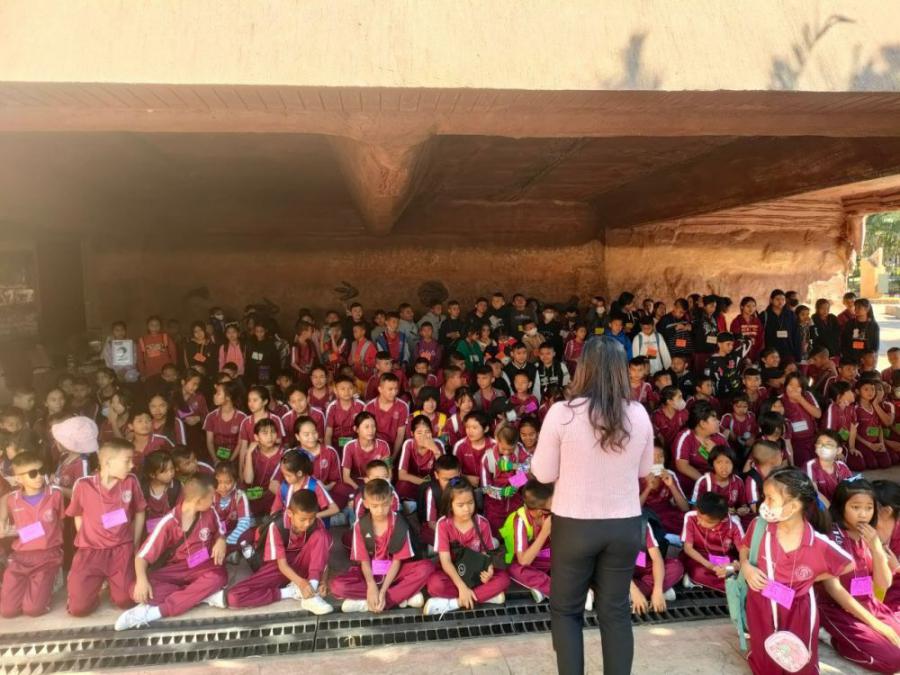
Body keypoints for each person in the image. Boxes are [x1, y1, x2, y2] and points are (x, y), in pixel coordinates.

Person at [531, 335, 654, 675]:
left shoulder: (562, 413)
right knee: (615, 612)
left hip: (575, 524)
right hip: (625, 524)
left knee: (567, 611)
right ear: (620, 371)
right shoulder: (638, 413)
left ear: (582, 367)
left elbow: (543, 473)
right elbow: (644, 469)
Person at [739, 468, 855, 675]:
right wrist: (746, 567)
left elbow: (848, 564)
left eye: (770, 498)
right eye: (764, 497)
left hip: (798, 608)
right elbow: (744, 548)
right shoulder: (759, 527)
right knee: (766, 655)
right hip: (761, 602)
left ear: (792, 506)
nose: (764, 504)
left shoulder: (817, 543)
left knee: (799, 660)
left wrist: (811, 577)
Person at [115, 474, 227, 630]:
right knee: (136, 589)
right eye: (211, 497)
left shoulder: (210, 512)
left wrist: (221, 540)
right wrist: (141, 580)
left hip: (202, 565)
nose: (214, 501)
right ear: (199, 501)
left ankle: (156, 612)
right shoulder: (169, 522)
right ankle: (201, 596)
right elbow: (141, 557)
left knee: (218, 577)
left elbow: (221, 530)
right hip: (176, 570)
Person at [818, 477, 900, 673]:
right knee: (893, 660)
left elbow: (883, 584)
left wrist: (877, 548)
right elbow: (834, 590)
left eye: (869, 508)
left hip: (868, 603)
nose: (863, 514)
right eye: (856, 507)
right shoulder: (831, 537)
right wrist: (878, 626)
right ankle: (830, 636)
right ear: (842, 506)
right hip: (837, 609)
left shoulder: (870, 535)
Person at [66, 438, 147, 617]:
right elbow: (78, 514)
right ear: (108, 462)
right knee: (78, 609)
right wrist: (86, 539)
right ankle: (92, 589)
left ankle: (112, 584)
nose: (132, 465)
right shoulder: (83, 484)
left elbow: (140, 511)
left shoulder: (130, 481)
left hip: (121, 549)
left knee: (125, 601)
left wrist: (134, 544)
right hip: (90, 551)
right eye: (127, 461)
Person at [222, 489, 333, 614]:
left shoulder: (317, 525)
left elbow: (323, 560)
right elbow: (282, 565)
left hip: (306, 567)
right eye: (303, 519)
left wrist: (322, 581)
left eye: (311, 518)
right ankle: (291, 592)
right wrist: (301, 583)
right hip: (280, 568)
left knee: (322, 536)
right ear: (290, 513)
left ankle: (311, 595)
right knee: (234, 597)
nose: (307, 524)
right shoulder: (277, 526)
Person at [330, 478, 433, 612]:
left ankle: (372, 603)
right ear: (366, 504)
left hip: (396, 572)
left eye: (384, 505)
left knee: (426, 568)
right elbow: (364, 562)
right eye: (375, 506)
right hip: (370, 572)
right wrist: (371, 585)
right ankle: (401, 596)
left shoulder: (399, 524)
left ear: (391, 501)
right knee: (337, 586)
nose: (380, 510)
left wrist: (383, 591)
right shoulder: (360, 526)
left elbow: (396, 561)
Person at [423, 478, 510, 615]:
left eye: (470, 503)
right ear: (450, 505)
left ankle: (454, 603)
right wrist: (462, 587)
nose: (467, 509)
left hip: (475, 575)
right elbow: (445, 561)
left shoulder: (482, 523)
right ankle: (484, 596)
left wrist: (489, 571)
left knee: (504, 579)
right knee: (435, 584)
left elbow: (486, 555)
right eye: (460, 505)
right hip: (452, 573)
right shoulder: (443, 524)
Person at [0, 451, 65, 618]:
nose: (39, 476)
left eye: (42, 471)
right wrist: (4, 523)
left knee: (33, 610)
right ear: (18, 479)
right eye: (32, 473)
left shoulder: (55, 495)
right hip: (20, 558)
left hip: (47, 556)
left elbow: (62, 523)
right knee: (7, 611)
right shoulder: (12, 500)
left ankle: (50, 581)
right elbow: (4, 504)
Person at [502, 479, 555, 603]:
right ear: (540, 512)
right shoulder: (520, 520)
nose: (554, 510)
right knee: (514, 569)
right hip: (526, 562)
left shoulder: (549, 514)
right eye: (551, 508)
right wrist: (544, 532)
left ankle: (542, 588)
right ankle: (556, 590)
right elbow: (523, 561)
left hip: (546, 559)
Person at [680, 492, 744, 592]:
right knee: (698, 572)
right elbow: (688, 549)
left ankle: (698, 582)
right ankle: (735, 587)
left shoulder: (734, 524)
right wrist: (711, 566)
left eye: (705, 521)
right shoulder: (690, 517)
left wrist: (733, 566)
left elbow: (744, 552)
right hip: (699, 558)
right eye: (698, 516)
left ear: (721, 520)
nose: (699, 522)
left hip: (724, 560)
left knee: (734, 573)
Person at [630, 520, 682, 615]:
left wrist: (658, 590)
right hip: (617, 571)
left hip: (640, 562)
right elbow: (609, 566)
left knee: (675, 567)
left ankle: (631, 595)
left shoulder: (642, 524)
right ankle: (634, 594)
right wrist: (635, 591)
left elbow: (657, 559)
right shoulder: (607, 525)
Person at [760, 289, 801, 363]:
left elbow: (796, 335)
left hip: (788, 352)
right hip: (770, 354)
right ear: (771, 300)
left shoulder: (791, 315)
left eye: (783, 299)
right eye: (777, 299)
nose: (780, 302)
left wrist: (798, 356)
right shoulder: (764, 315)